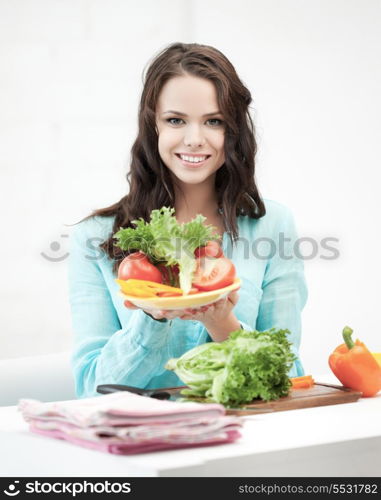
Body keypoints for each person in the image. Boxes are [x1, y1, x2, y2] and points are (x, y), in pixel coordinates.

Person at [67, 42, 308, 398]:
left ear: (234, 131)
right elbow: (91, 389)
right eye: (175, 120)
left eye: (214, 121)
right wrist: (151, 320)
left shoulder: (273, 225)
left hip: (245, 441)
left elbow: (288, 378)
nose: (194, 139)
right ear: (153, 127)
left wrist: (222, 323)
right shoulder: (93, 236)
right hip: (140, 445)